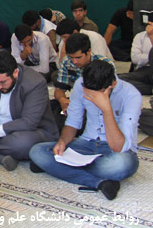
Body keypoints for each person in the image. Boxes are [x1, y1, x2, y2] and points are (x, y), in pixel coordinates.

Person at [29, 60, 141, 200]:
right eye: (89, 94)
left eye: (96, 95)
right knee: (37, 151)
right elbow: (73, 122)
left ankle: (59, 167)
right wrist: (62, 142)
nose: (92, 99)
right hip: (86, 143)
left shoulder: (131, 95)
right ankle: (99, 182)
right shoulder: (80, 84)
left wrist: (106, 109)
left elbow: (119, 147)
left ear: (112, 85)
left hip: (115, 151)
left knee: (121, 164)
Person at [0, 52, 59, 171]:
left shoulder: (35, 83)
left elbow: (29, 122)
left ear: (15, 73)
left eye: (2, 82)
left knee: (22, 143)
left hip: (30, 132)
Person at [52, 33, 114, 130]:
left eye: (78, 57)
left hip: (96, 104)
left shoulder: (105, 64)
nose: (74, 62)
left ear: (89, 51)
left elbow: (109, 95)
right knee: (49, 106)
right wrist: (62, 101)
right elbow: (59, 89)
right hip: (76, 100)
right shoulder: (66, 62)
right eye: (71, 57)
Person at [118, 22, 153, 95]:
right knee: (119, 79)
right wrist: (150, 58)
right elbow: (135, 58)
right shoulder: (140, 36)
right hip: (145, 69)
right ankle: (150, 89)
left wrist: (151, 36)